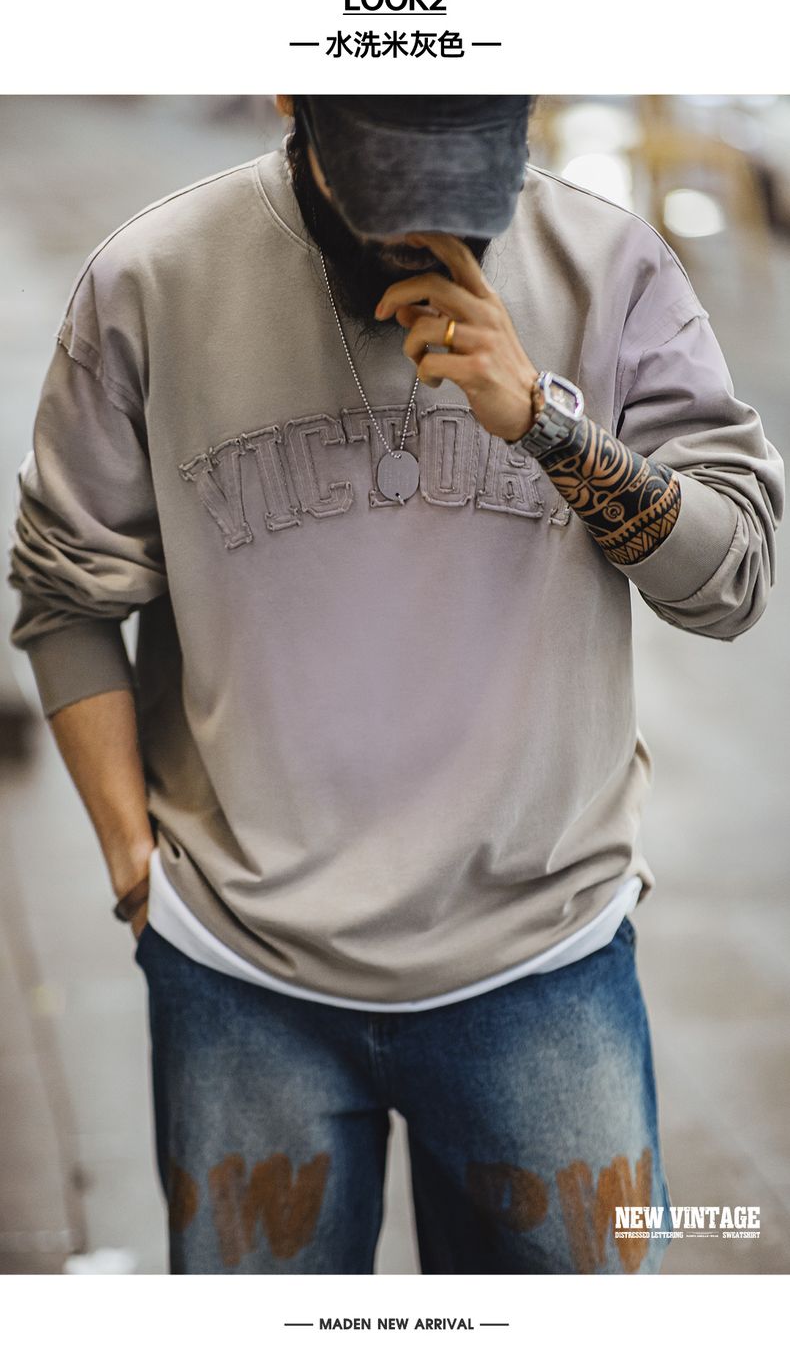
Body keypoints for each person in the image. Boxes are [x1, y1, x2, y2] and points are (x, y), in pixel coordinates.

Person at [8, 95, 784, 1276]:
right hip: (241, 980)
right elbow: (64, 594)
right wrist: (133, 873)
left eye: (466, 185)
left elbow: (731, 582)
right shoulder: (149, 280)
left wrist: (547, 425)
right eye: (384, 182)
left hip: (544, 962)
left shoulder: (610, 266)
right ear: (291, 97)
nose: (429, 226)